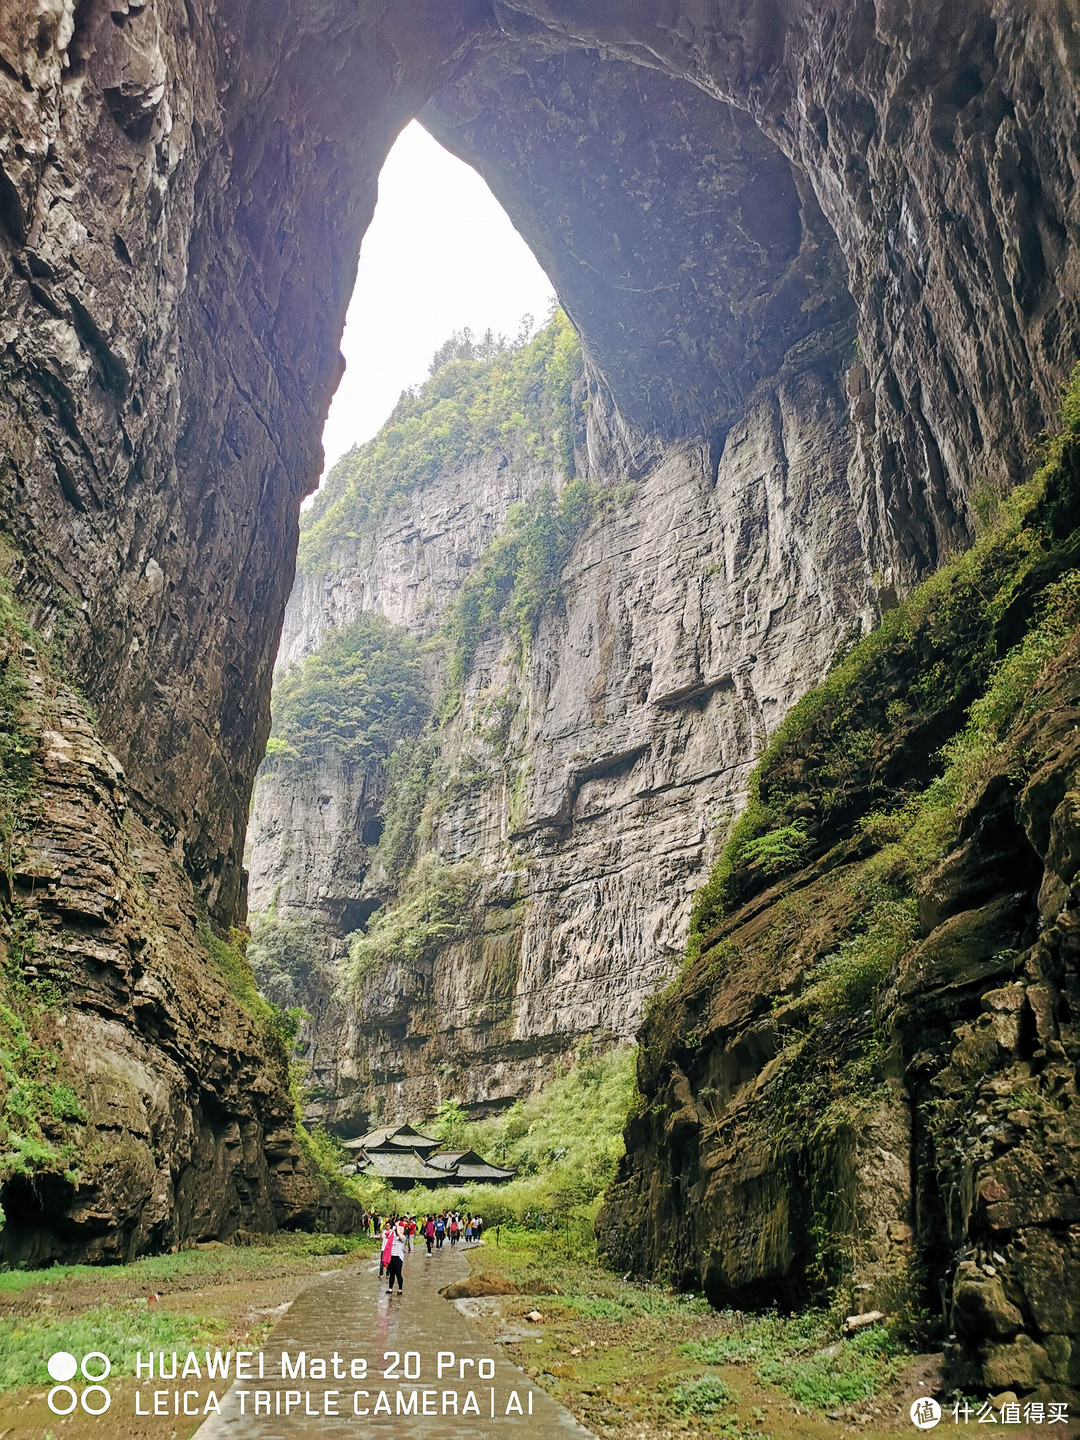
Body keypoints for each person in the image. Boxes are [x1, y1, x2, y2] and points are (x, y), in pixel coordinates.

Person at [387, 1223, 405, 1295]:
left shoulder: (403, 1237)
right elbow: (387, 1235)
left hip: (398, 1257)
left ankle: (400, 1289)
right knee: (392, 1274)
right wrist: (393, 1229)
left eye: (402, 1229)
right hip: (391, 1256)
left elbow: (400, 1235)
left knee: (398, 1274)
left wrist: (397, 1226)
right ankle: (390, 1288)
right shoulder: (393, 1237)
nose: (401, 1230)